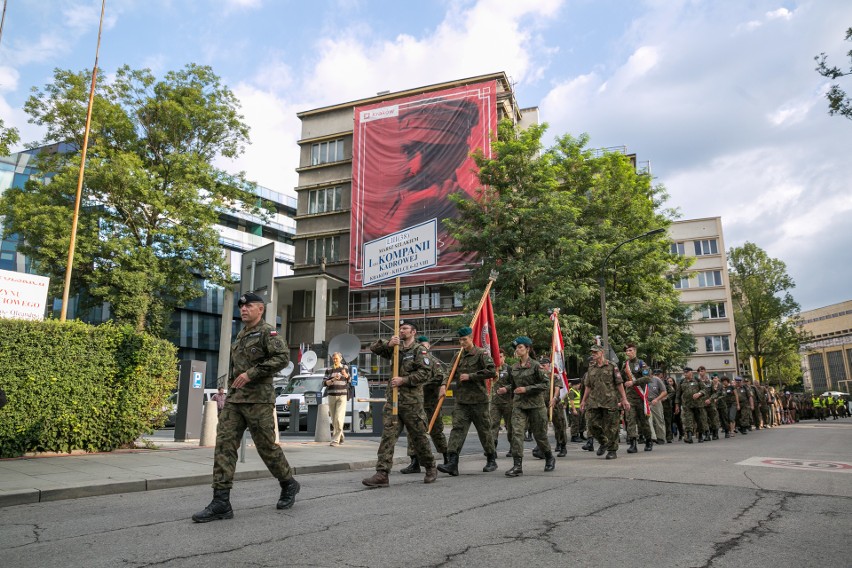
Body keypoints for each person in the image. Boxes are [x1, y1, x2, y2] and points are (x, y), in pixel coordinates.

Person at [192, 293, 299, 523]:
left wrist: (251, 374)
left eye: (248, 306)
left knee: (266, 448)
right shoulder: (240, 335)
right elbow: (235, 369)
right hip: (235, 399)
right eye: (241, 306)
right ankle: (221, 502)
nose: (243, 309)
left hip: (258, 400)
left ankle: (288, 483)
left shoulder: (268, 333)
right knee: (224, 446)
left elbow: (282, 358)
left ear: (260, 309)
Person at [362, 320, 438, 487]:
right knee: (388, 436)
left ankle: (430, 466)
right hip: (394, 401)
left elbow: (426, 373)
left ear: (413, 332)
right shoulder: (395, 349)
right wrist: (389, 343)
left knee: (419, 437)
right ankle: (382, 473)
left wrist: (404, 380)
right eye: (400, 328)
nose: (401, 331)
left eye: (405, 329)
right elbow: (374, 348)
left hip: (412, 403)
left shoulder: (420, 351)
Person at [437, 326, 497, 477]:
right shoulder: (458, 356)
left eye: (465, 339)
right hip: (462, 401)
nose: (462, 342)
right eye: (460, 340)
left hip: (479, 401)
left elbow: (491, 371)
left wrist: (471, 376)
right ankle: (452, 463)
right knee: (457, 430)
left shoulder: (481, 354)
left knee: (484, 431)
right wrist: (444, 385)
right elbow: (449, 371)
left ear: (471, 339)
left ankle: (491, 459)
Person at [504, 337, 554, 476]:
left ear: (528, 349)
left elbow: (546, 384)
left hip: (536, 405)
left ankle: (549, 457)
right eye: (516, 348)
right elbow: (513, 385)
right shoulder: (514, 367)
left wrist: (527, 389)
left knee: (540, 435)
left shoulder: (536, 366)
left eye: (520, 347)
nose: (517, 350)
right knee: (517, 433)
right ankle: (517, 465)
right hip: (519, 405)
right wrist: (507, 390)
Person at [400, 335, 449, 473]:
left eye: (426, 346)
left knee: (436, 431)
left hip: (430, 402)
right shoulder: (410, 360)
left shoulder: (433, 361)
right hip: (415, 402)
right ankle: (414, 462)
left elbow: (441, 376)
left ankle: (446, 457)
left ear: (429, 347)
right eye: (421, 346)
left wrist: (423, 384)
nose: (424, 349)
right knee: (412, 432)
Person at [580, 344, 629, 460]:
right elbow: (588, 386)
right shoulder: (591, 367)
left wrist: (624, 399)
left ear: (602, 352)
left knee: (611, 427)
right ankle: (603, 442)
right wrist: (583, 401)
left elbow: (619, 383)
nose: (593, 355)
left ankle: (612, 450)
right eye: (592, 353)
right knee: (591, 425)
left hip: (609, 401)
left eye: (595, 352)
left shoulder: (612, 366)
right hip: (594, 401)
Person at [621, 344, 654, 453]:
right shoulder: (624, 365)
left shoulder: (641, 363)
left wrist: (634, 382)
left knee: (643, 421)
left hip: (640, 397)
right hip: (630, 398)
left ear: (635, 351)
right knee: (630, 421)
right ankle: (633, 444)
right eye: (627, 351)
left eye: (630, 350)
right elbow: (620, 381)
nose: (628, 352)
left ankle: (648, 440)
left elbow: (648, 378)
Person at [674, 367, 709, 444]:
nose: (685, 374)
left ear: (691, 372)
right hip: (687, 405)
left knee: (699, 420)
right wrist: (677, 405)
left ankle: (700, 436)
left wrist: (699, 393)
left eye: (687, 372)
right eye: (684, 373)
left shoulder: (697, 380)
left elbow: (705, 389)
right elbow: (678, 394)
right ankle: (689, 437)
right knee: (688, 420)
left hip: (698, 404)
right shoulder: (682, 381)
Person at [324, 351, 351, 447]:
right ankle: (341, 436)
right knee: (334, 419)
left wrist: (346, 375)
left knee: (339, 419)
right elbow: (324, 383)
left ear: (341, 359)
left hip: (342, 396)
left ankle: (335, 440)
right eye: (333, 358)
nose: (335, 360)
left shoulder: (345, 368)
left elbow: (349, 380)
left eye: (336, 358)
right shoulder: (329, 369)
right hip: (331, 395)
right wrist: (333, 379)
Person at [491, 360, 514, 457]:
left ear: (504, 357)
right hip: (495, 403)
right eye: (497, 356)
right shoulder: (491, 369)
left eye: (500, 356)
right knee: (493, 425)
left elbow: (515, 383)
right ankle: (492, 449)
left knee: (510, 426)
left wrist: (506, 389)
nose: (498, 358)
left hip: (507, 402)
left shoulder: (509, 369)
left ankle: (513, 448)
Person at [647, 369, 668, 444]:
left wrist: (657, 399)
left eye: (649, 374)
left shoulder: (657, 380)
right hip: (646, 402)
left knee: (659, 420)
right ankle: (652, 437)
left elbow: (664, 391)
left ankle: (661, 437)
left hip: (656, 401)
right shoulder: (642, 380)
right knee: (648, 420)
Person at [566, 378, 584, 443]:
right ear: (574, 385)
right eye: (578, 384)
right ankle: (574, 436)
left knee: (578, 422)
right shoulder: (571, 391)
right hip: (574, 409)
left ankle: (577, 435)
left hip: (578, 408)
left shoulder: (577, 391)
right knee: (575, 423)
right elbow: (571, 401)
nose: (579, 386)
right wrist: (574, 410)